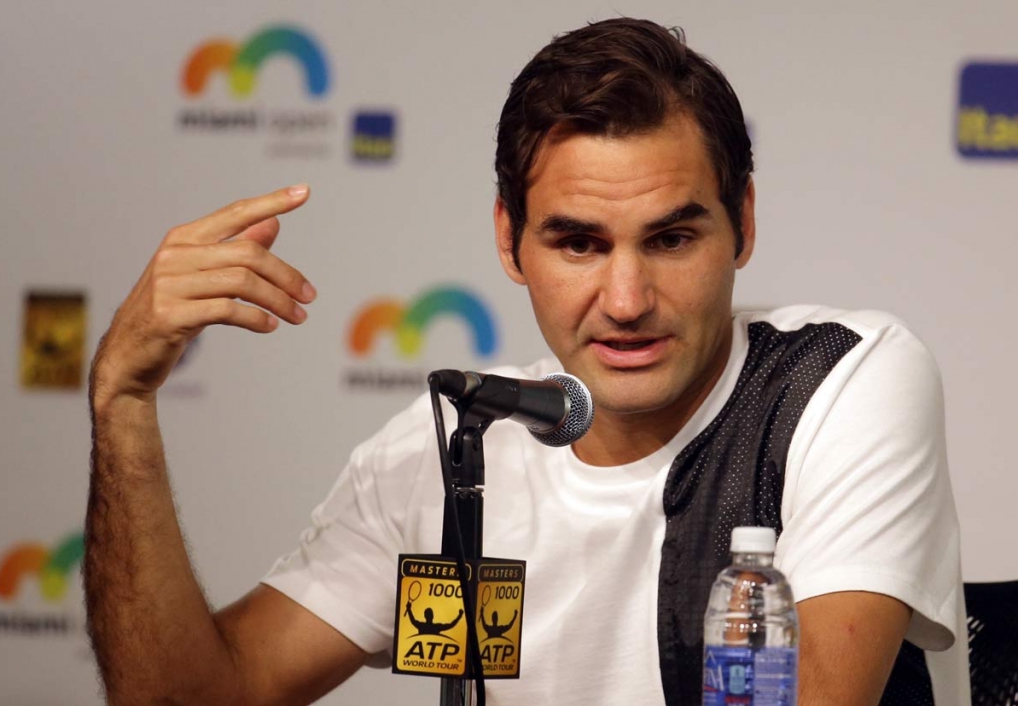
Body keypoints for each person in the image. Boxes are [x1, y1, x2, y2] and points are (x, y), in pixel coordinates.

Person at [83, 17, 968, 706]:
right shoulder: (447, 452)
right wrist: (122, 402)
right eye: (578, 244)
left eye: (671, 238)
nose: (626, 299)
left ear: (743, 220)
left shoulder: (838, 383)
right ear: (510, 241)